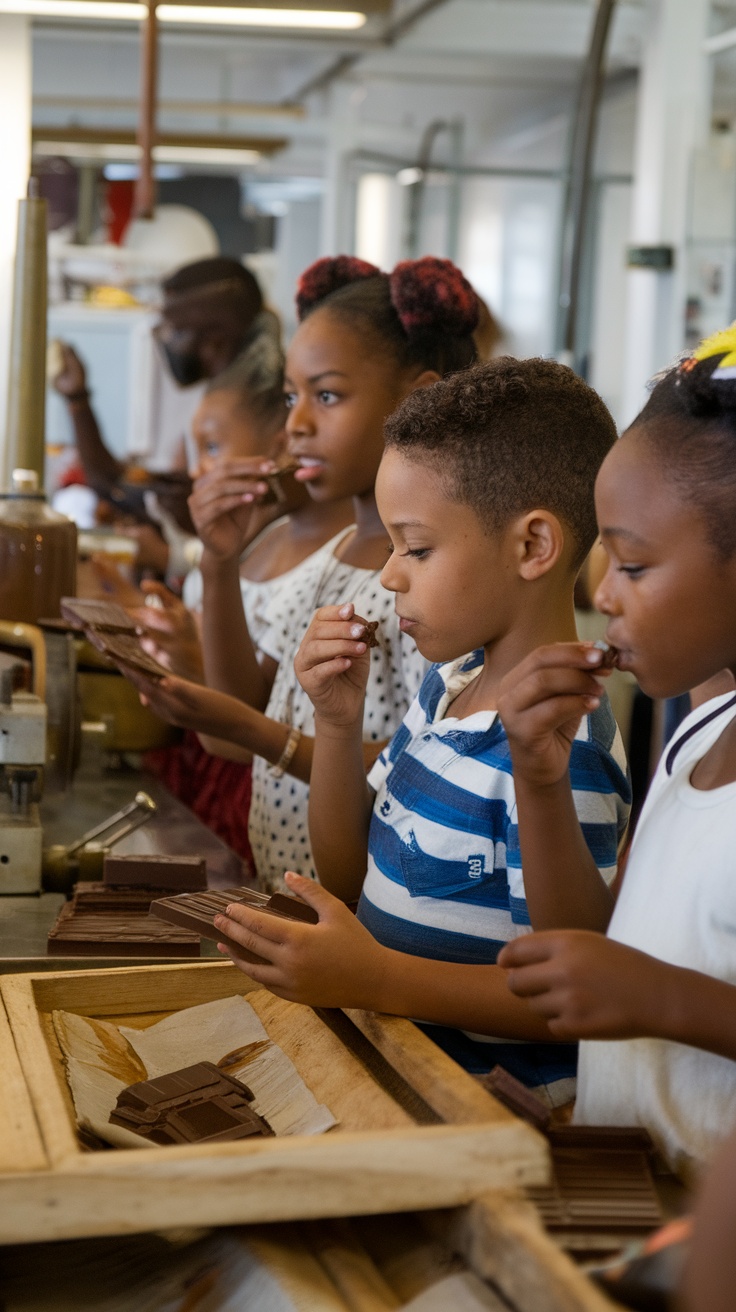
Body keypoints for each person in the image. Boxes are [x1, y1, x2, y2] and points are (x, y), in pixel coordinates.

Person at [208, 358, 631, 1105]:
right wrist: (336, 726)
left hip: (480, 1120)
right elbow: (348, 882)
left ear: (533, 546)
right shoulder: (449, 686)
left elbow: (566, 1001)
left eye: (418, 548)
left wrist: (375, 979)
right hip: (393, 1082)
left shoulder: (562, 749)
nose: (392, 577)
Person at [123, 255, 480, 891]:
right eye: (292, 396)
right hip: (286, 891)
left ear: (418, 398)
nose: (297, 425)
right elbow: (242, 727)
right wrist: (219, 559)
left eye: (327, 395)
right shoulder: (332, 553)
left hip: (379, 908)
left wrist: (265, 736)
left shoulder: (435, 574)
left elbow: (436, 759)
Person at [488, 325, 736, 1178]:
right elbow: (594, 949)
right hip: (630, 1210)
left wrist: (661, 1001)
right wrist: (540, 779)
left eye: (632, 565)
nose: (601, 595)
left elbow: (645, 989)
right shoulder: (699, 733)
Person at [52, 257, 271, 576]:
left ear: (214, 340)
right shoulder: (209, 408)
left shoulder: (243, 415)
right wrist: (77, 397)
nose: (165, 341)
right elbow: (115, 489)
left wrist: (172, 550)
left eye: (175, 329)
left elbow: (246, 542)